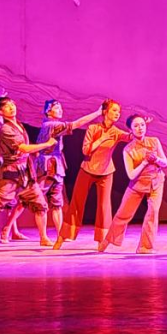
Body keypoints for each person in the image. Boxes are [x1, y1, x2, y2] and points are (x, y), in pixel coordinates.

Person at [0, 98, 56, 250]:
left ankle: (43, 238)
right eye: (7, 107)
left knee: (41, 205)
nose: (11, 108)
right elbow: (23, 148)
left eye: (12, 105)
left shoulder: (18, 125)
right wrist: (46, 144)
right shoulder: (5, 129)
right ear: (0, 112)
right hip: (11, 173)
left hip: (25, 174)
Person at [53, 99, 136, 250]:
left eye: (119, 111)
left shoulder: (116, 132)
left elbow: (130, 137)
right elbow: (85, 151)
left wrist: (138, 127)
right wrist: (101, 139)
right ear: (105, 112)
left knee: (104, 207)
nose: (117, 113)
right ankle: (62, 237)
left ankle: (101, 242)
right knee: (76, 204)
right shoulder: (93, 128)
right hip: (87, 169)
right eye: (114, 110)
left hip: (106, 171)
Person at [34, 100, 103, 246]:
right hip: (47, 166)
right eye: (56, 108)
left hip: (56, 165)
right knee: (39, 202)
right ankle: (42, 237)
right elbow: (76, 124)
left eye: (61, 107)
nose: (60, 110)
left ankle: (61, 234)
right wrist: (97, 113)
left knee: (57, 203)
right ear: (48, 111)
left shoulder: (53, 125)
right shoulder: (51, 125)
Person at [98, 114, 167, 254]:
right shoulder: (128, 149)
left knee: (153, 212)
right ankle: (107, 241)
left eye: (142, 125)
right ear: (130, 129)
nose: (140, 128)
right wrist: (144, 162)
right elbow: (131, 175)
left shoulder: (154, 141)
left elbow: (165, 163)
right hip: (137, 184)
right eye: (136, 126)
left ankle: (145, 247)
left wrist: (156, 159)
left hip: (156, 182)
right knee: (123, 214)